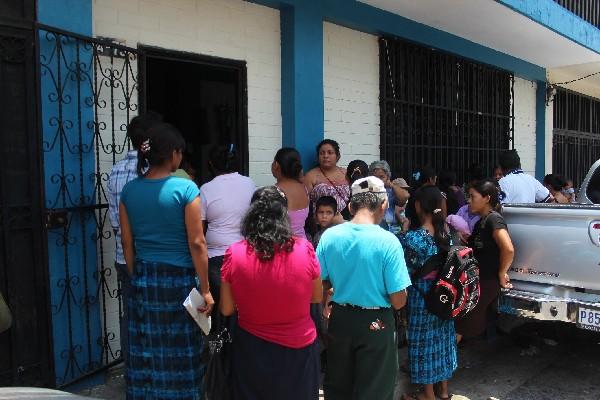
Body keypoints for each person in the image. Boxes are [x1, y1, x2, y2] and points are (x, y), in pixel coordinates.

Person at [119, 123, 213, 399]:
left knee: (147, 346)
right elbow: (197, 243)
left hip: (145, 277)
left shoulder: (130, 191)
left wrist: (139, 276)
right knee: (182, 347)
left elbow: (127, 243)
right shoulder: (186, 189)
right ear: (174, 154)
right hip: (180, 279)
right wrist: (205, 289)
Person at [219, 186, 322, 400]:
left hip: (251, 349)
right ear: (284, 215)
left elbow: (227, 308)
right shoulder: (305, 249)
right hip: (299, 349)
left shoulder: (235, 253)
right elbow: (316, 297)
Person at [317, 176, 411, 400]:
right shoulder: (388, 242)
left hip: (339, 318)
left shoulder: (329, 236)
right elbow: (398, 300)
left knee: (338, 386)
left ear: (350, 206)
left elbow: (319, 282)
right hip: (376, 323)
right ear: (384, 205)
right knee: (375, 389)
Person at [107, 111, 162, 367]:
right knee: (157, 317)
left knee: (131, 316)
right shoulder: (154, 172)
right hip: (153, 257)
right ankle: (155, 372)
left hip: (123, 256)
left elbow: (116, 223)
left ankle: (134, 374)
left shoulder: (115, 171)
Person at [399, 186, 457, 400]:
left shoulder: (413, 238)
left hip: (422, 296)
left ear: (417, 206)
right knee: (442, 341)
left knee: (423, 342)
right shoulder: (446, 234)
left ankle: (428, 395)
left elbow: (406, 271)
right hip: (443, 294)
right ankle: (443, 392)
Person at [201, 144, 255, 323]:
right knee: (243, 305)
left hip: (216, 256)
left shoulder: (206, 189)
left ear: (211, 164)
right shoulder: (250, 184)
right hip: (245, 253)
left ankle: (223, 344)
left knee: (221, 308)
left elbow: (199, 229)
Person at [456, 180, 514, 341]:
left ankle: (444, 362)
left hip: (486, 281)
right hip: (478, 281)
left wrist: (502, 273)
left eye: (473, 197)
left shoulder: (494, 220)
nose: (469, 201)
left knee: (462, 323)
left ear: (487, 198)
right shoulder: (482, 221)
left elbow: (508, 249)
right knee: (462, 322)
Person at [305, 139, 349, 223]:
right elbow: (304, 203)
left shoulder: (346, 173)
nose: (325, 156)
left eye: (330, 152)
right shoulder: (311, 176)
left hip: (345, 223)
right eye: (322, 153)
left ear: (337, 156)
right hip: (321, 225)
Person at [272, 147, 310, 239]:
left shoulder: (275, 191)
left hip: (283, 247)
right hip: (302, 245)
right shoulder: (304, 188)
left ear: (276, 165)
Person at [370, 160, 410, 232]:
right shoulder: (367, 191)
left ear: (388, 177)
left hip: (392, 230)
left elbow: (405, 197)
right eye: (375, 178)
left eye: (382, 177)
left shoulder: (391, 190)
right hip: (374, 230)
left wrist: (391, 185)